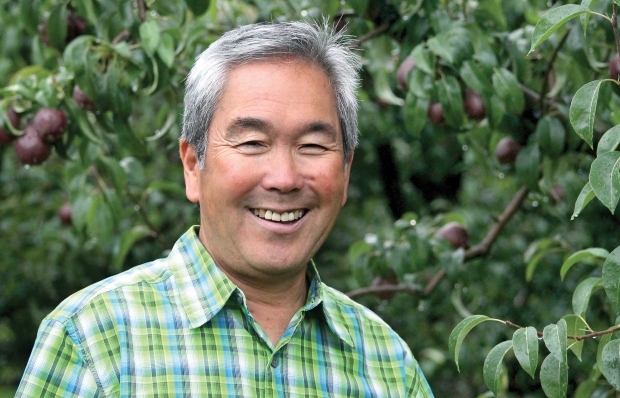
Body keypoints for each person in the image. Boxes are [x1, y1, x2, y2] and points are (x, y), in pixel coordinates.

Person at [16, 21, 434, 397]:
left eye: (311, 146)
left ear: (345, 171)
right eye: (252, 142)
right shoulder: (94, 339)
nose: (284, 178)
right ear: (193, 166)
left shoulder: (387, 364)